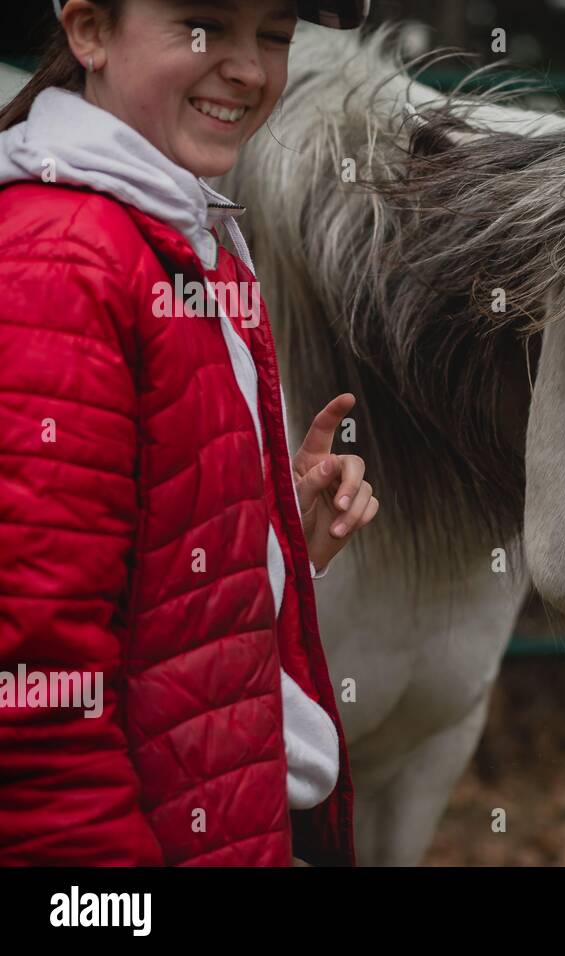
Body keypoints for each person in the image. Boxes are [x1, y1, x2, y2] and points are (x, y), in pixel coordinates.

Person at [0, 0, 375, 865]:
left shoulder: (181, 234)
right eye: (205, 25)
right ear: (89, 31)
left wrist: (274, 543)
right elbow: (33, 697)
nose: (247, 67)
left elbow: (146, 593)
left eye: (275, 36)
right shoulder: (59, 267)